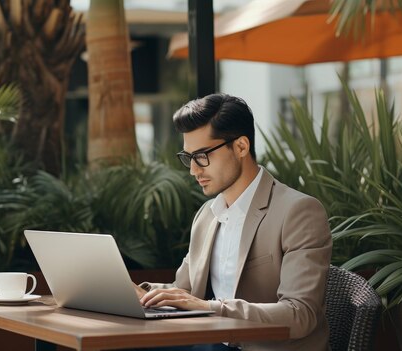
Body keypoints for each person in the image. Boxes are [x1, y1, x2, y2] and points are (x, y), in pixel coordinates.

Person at [133, 93, 332, 351]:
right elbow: (184, 292)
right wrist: (137, 293)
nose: (194, 170)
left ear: (240, 147)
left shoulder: (298, 212)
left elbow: (300, 315)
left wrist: (209, 307)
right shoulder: (207, 215)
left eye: (202, 156)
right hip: (212, 344)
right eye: (188, 157)